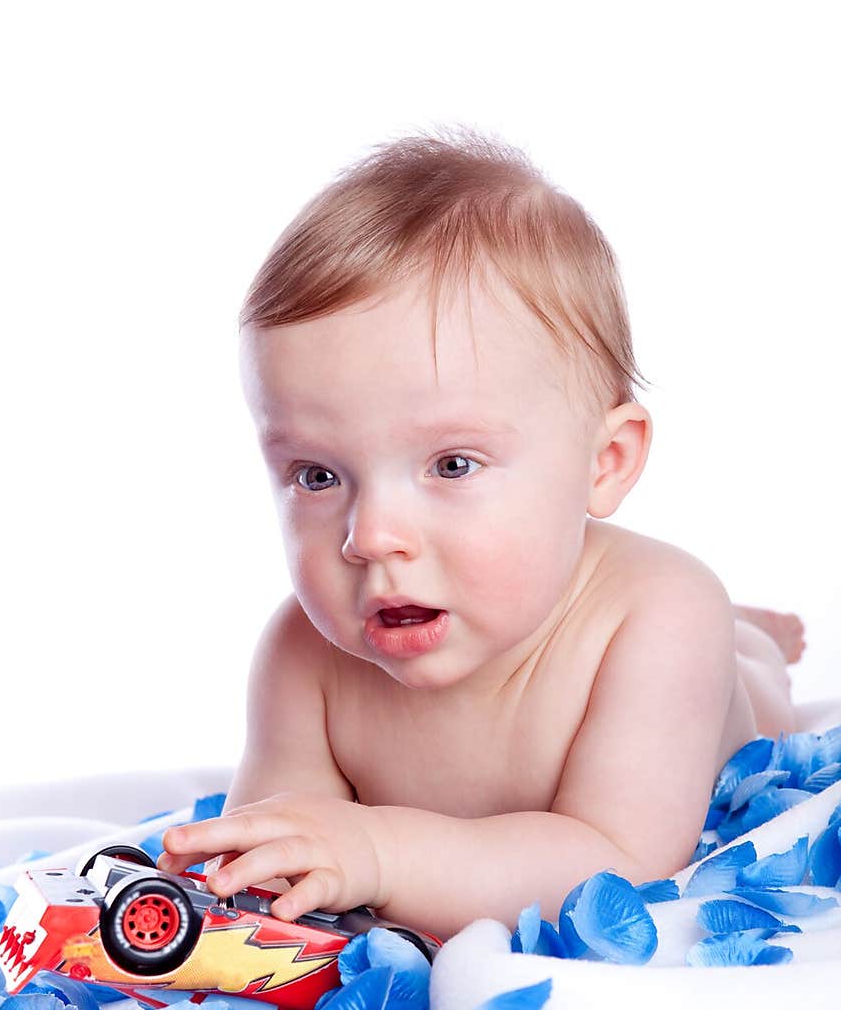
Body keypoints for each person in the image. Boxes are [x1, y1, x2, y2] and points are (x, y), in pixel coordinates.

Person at [158, 127, 807, 938]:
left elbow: (619, 861)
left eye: (453, 465)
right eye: (317, 476)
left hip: (697, 699)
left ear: (603, 462)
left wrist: (380, 850)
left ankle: (754, 641)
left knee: (754, 683)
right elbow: (284, 851)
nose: (372, 538)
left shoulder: (656, 617)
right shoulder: (302, 653)